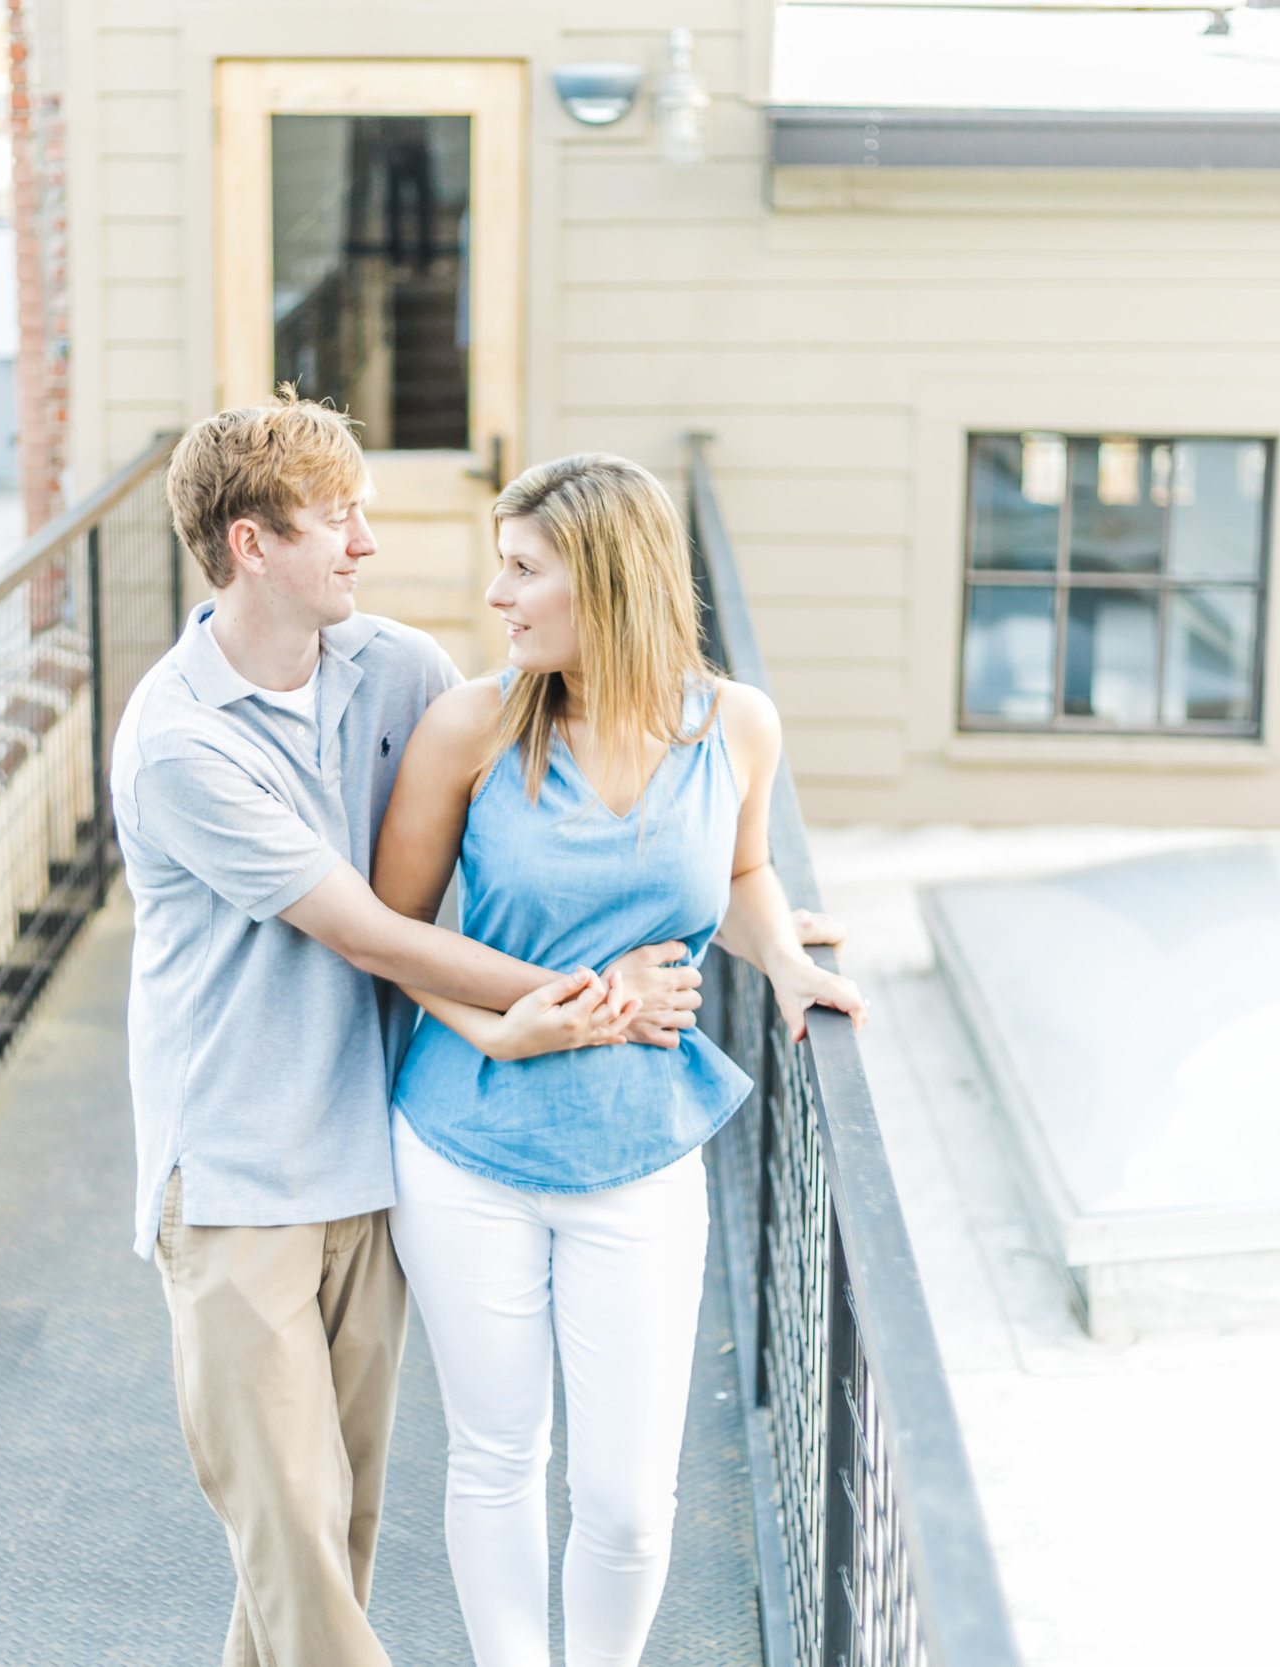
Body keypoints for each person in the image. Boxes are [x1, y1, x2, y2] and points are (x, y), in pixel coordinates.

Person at [110, 396, 710, 1667]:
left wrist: (759, 910)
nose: (367, 543)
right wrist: (589, 997)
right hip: (236, 1181)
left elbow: (506, 837)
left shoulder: (396, 670)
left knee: (334, 1532)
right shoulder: (178, 741)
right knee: (291, 1532)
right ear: (248, 544)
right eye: (338, 520)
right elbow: (374, 929)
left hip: (367, 1158)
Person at [372, 453, 865, 1667]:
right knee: (496, 1453)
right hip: (464, 1140)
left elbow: (742, 875)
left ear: (606, 581)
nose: (497, 594)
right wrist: (509, 1022)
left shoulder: (734, 725)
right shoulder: (469, 726)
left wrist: (784, 961)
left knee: (632, 1499)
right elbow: (393, 935)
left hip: (641, 1146)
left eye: (524, 568)